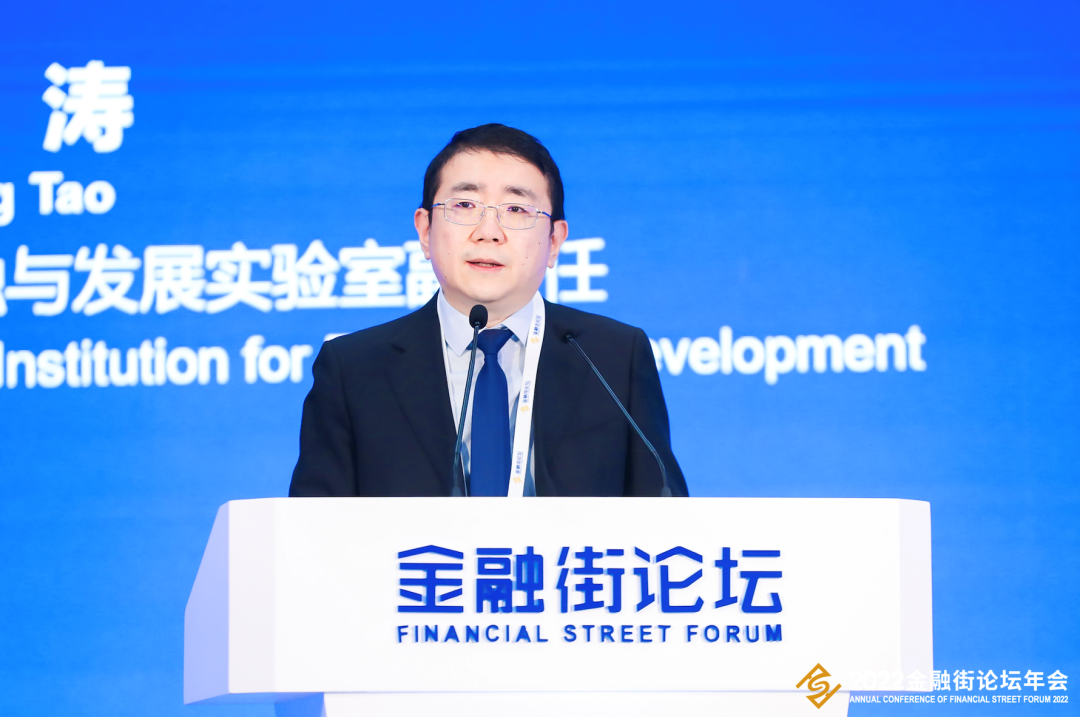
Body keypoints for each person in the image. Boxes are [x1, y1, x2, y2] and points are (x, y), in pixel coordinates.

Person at [289, 124, 687, 497]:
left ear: (554, 242)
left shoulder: (613, 357)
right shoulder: (354, 369)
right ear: (425, 231)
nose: (489, 232)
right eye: (465, 204)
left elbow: (666, 515)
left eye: (516, 209)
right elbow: (310, 529)